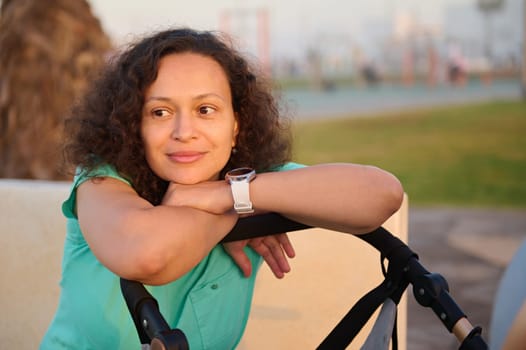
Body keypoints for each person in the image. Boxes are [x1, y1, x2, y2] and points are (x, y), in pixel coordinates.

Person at [40, 27, 404, 349]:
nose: (184, 131)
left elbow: (381, 195)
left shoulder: (246, 182)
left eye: (206, 110)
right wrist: (234, 216)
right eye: (160, 113)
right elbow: (147, 255)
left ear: (235, 126)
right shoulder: (101, 179)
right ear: (133, 126)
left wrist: (228, 195)